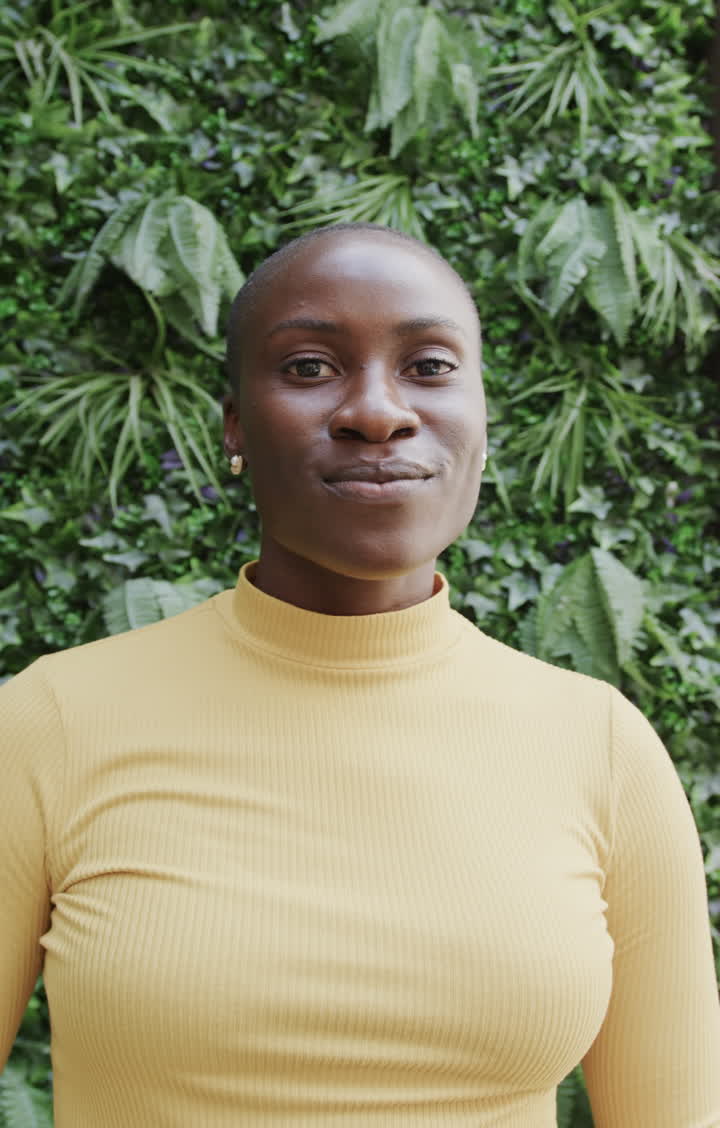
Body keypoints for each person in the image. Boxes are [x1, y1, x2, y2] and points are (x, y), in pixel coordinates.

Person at [1, 222, 719, 1127]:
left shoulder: (602, 748)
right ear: (234, 425)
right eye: (308, 366)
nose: (378, 412)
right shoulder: (50, 724)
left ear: (484, 420)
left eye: (429, 366)